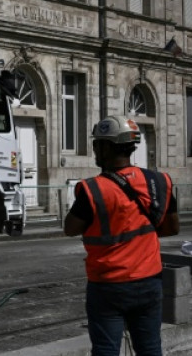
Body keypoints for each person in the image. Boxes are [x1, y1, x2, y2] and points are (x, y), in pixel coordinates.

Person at [64, 115, 180, 356]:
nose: (95, 150)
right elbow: (171, 228)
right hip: (149, 281)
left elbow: (70, 228)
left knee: (106, 350)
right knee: (150, 349)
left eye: (97, 144)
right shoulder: (158, 181)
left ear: (107, 147)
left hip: (108, 285)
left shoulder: (93, 189)